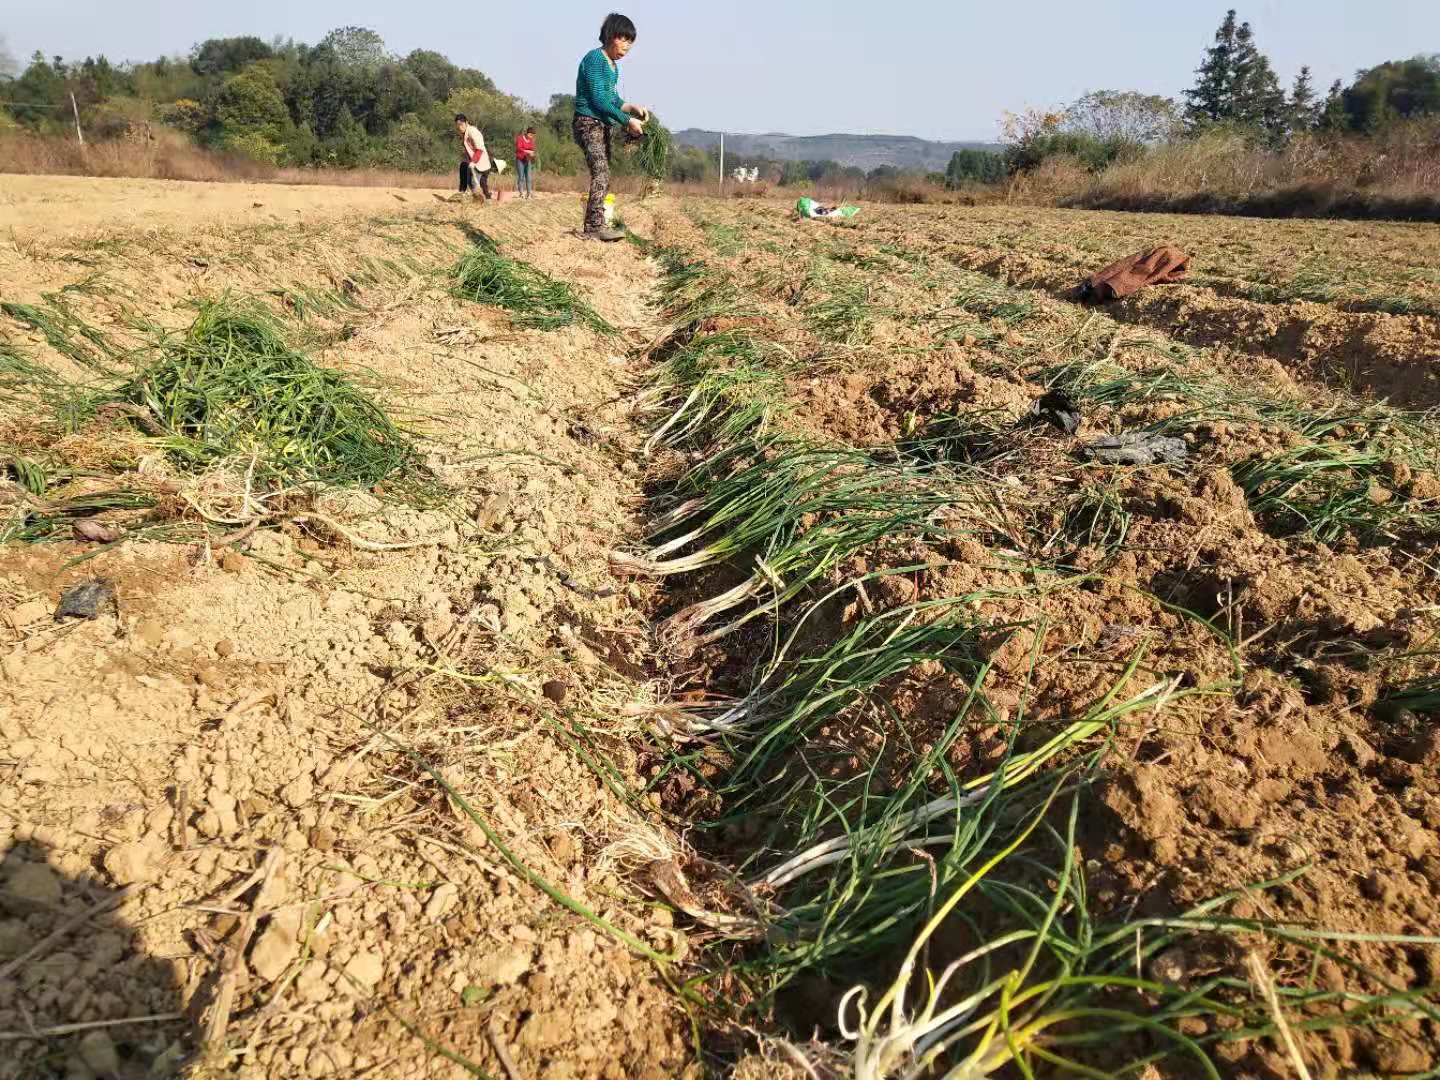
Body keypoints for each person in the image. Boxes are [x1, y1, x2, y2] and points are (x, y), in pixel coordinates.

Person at [573, 13, 649, 241]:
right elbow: (598, 100)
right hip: (588, 123)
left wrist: (631, 108)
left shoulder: (613, 66)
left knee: (605, 174)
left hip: (602, 124)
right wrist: (627, 122)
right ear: (610, 36)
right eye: (623, 40)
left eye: (630, 43)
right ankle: (593, 228)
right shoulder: (596, 59)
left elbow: (612, 99)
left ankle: (597, 222)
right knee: (601, 172)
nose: (626, 47)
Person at [454, 114, 493, 203]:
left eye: (461, 125)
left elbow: (479, 149)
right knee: (475, 180)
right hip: (475, 161)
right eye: (458, 125)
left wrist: (473, 162)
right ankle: (466, 193)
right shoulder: (464, 133)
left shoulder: (473, 132)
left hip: (481, 161)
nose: (459, 127)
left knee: (478, 183)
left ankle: (486, 199)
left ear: (466, 122)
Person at [514, 126, 537, 199]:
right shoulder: (520, 138)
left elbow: (532, 149)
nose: (531, 136)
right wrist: (526, 151)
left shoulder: (531, 141)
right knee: (521, 177)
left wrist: (532, 153)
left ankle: (529, 193)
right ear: (527, 133)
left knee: (529, 177)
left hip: (528, 159)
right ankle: (521, 193)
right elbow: (518, 148)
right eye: (530, 135)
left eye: (533, 135)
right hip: (520, 159)